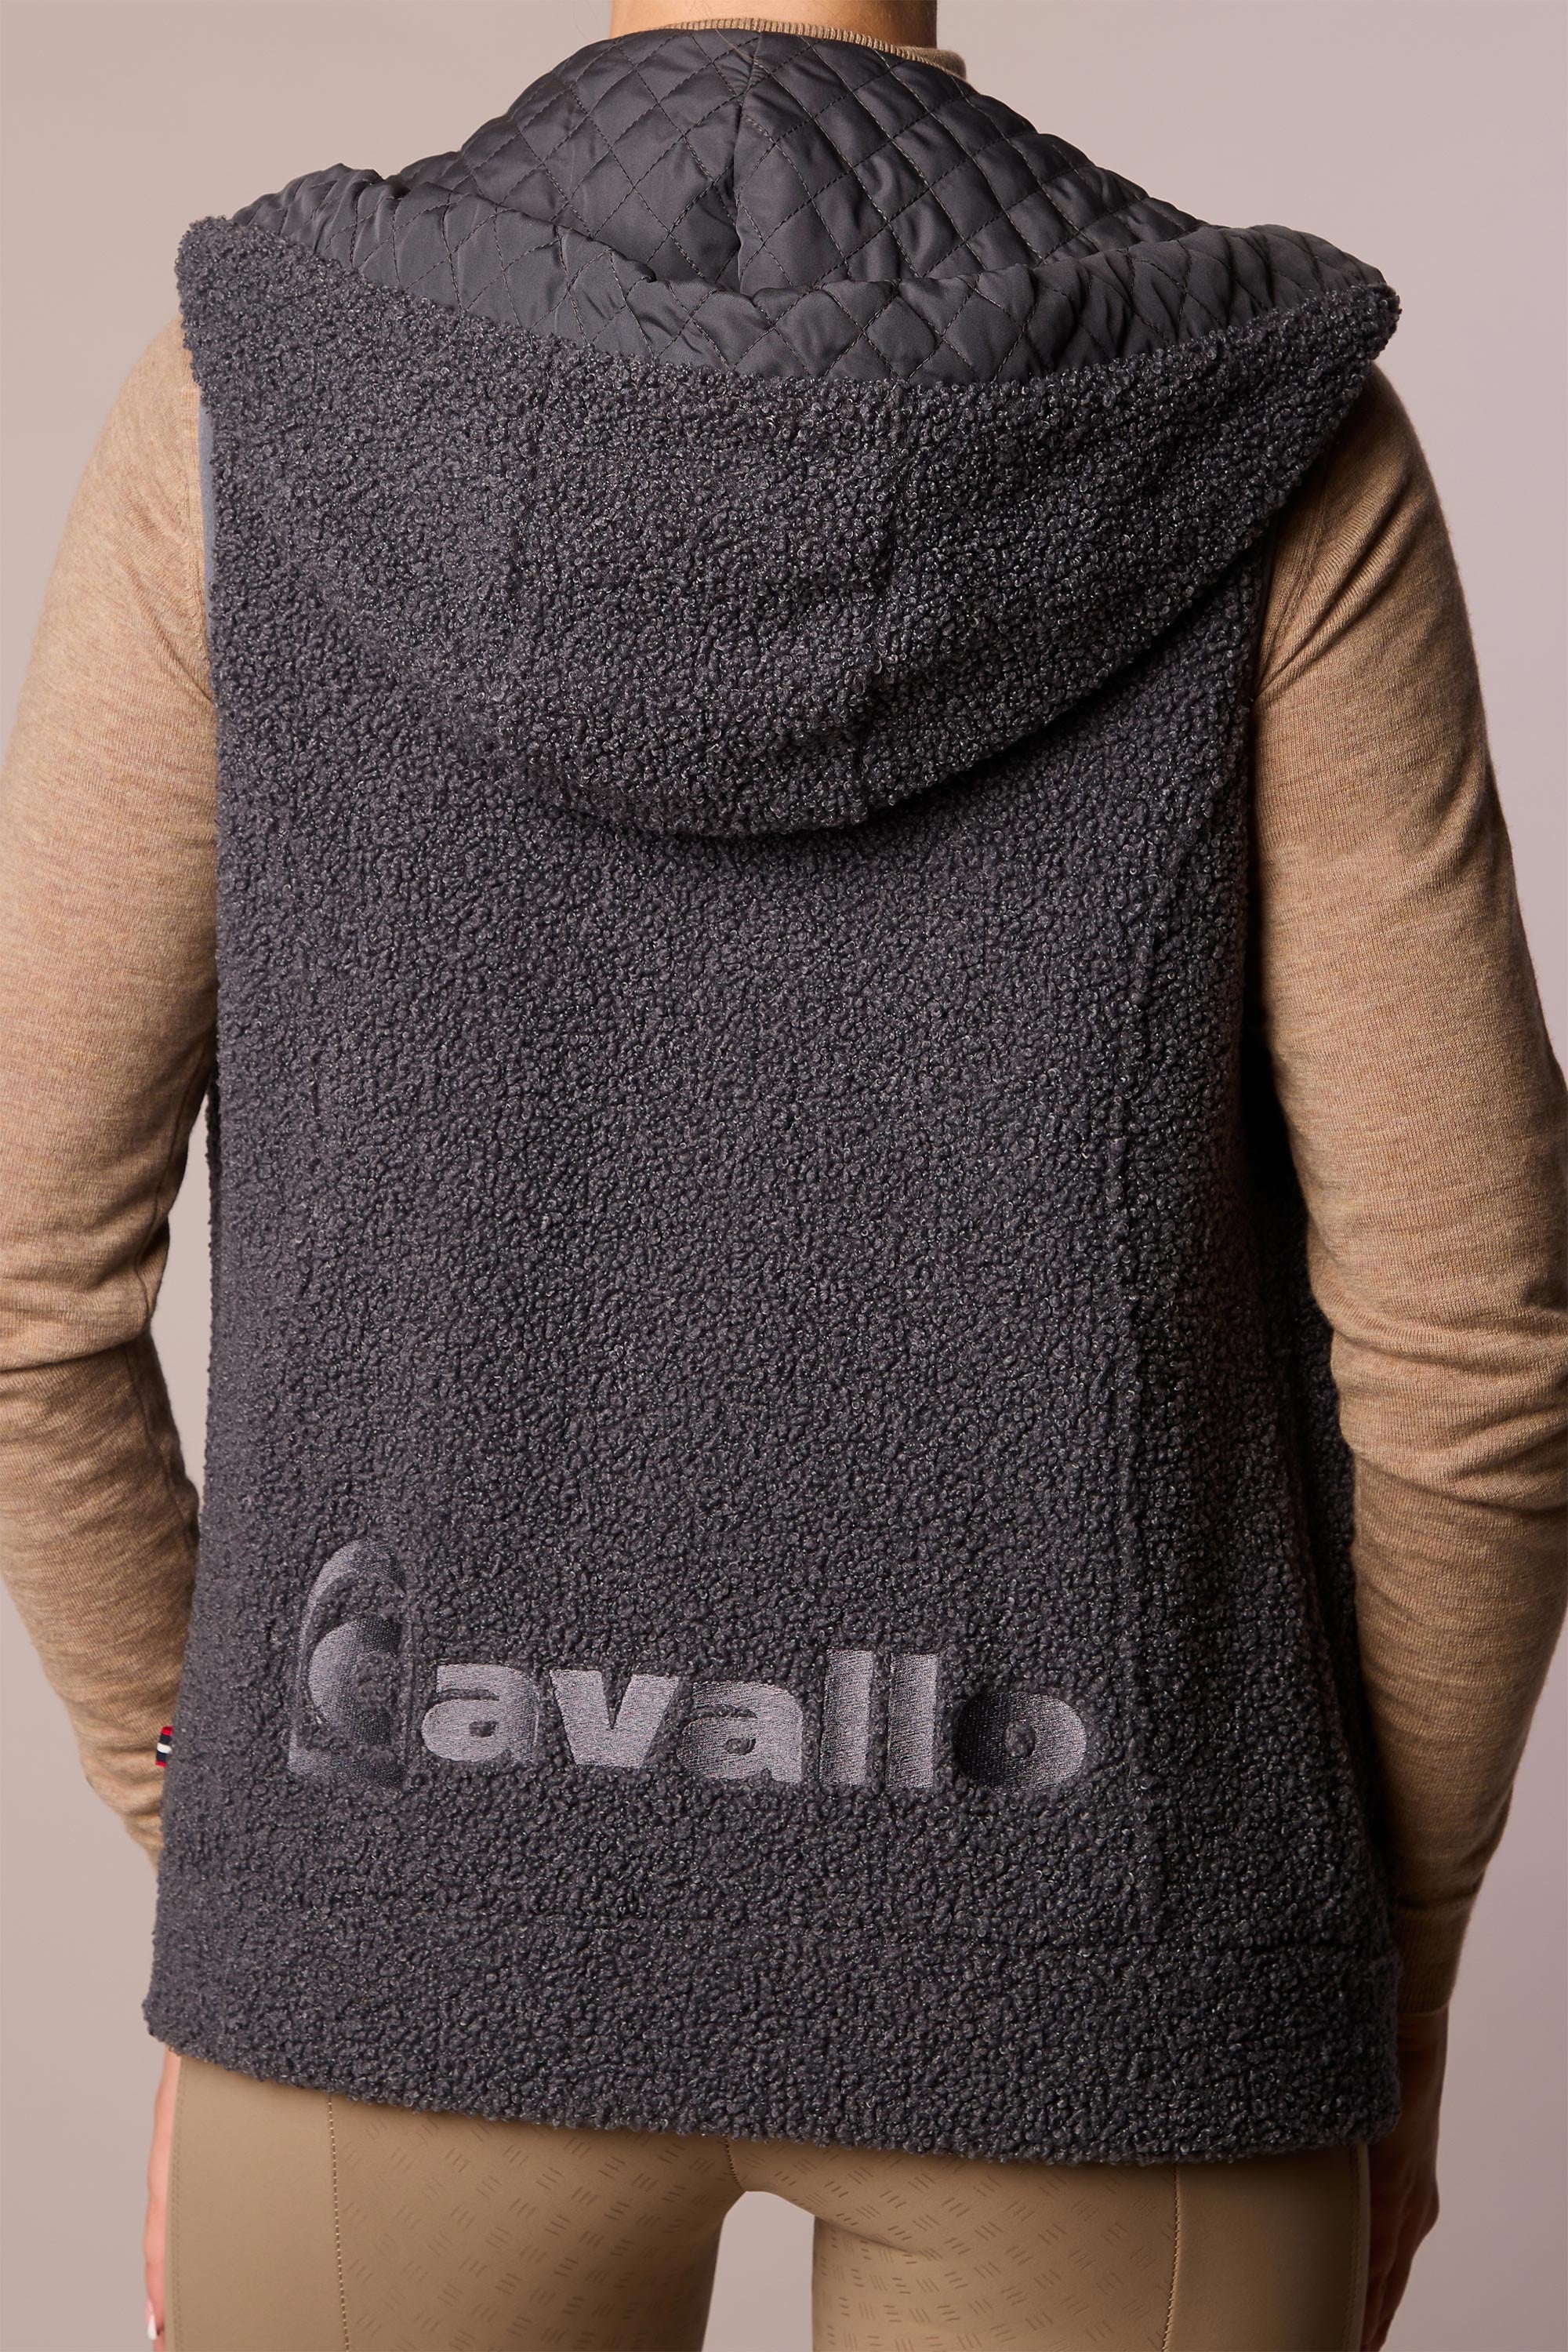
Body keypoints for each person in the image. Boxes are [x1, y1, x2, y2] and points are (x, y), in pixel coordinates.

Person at [2, 2, 1563, 2346]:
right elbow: (1475, 1354)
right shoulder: (1262, 436)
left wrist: (286, 1887)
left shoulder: (248, 401)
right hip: (1110, 1968)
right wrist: (1387, 1971)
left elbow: (21, 1286)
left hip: (402, 1922)